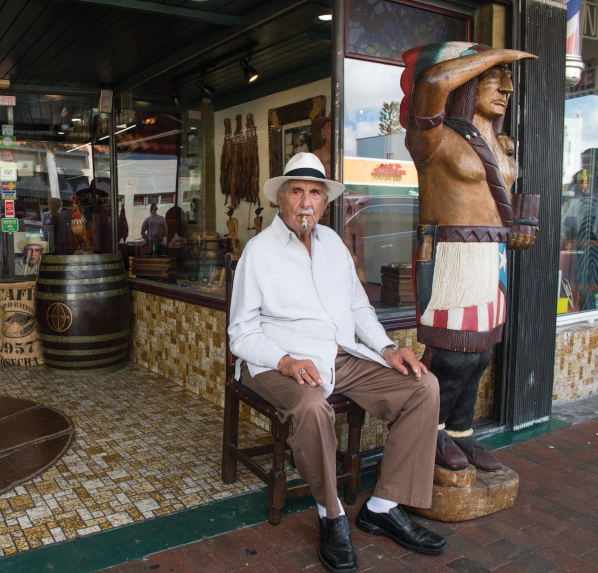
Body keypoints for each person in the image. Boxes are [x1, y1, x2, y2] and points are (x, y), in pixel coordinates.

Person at [229, 152, 445, 573]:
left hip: (342, 355)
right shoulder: (258, 251)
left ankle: (382, 507)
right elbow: (241, 334)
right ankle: (332, 515)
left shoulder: (334, 246)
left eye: (315, 193)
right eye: (297, 191)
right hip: (277, 360)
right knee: (311, 407)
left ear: (324, 203)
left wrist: (386, 349)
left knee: (423, 386)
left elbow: (359, 308)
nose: (306, 202)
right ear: (282, 199)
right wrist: (285, 360)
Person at [401, 43, 538, 472]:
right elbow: (430, 82)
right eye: (494, 77)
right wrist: (493, 54)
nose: (507, 87)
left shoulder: (498, 142)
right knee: (452, 353)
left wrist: (521, 225)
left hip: (489, 256)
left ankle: (461, 431)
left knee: (480, 353)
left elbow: (502, 199)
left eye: (507, 77)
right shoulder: (433, 137)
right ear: (466, 77)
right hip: (452, 255)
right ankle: (432, 430)